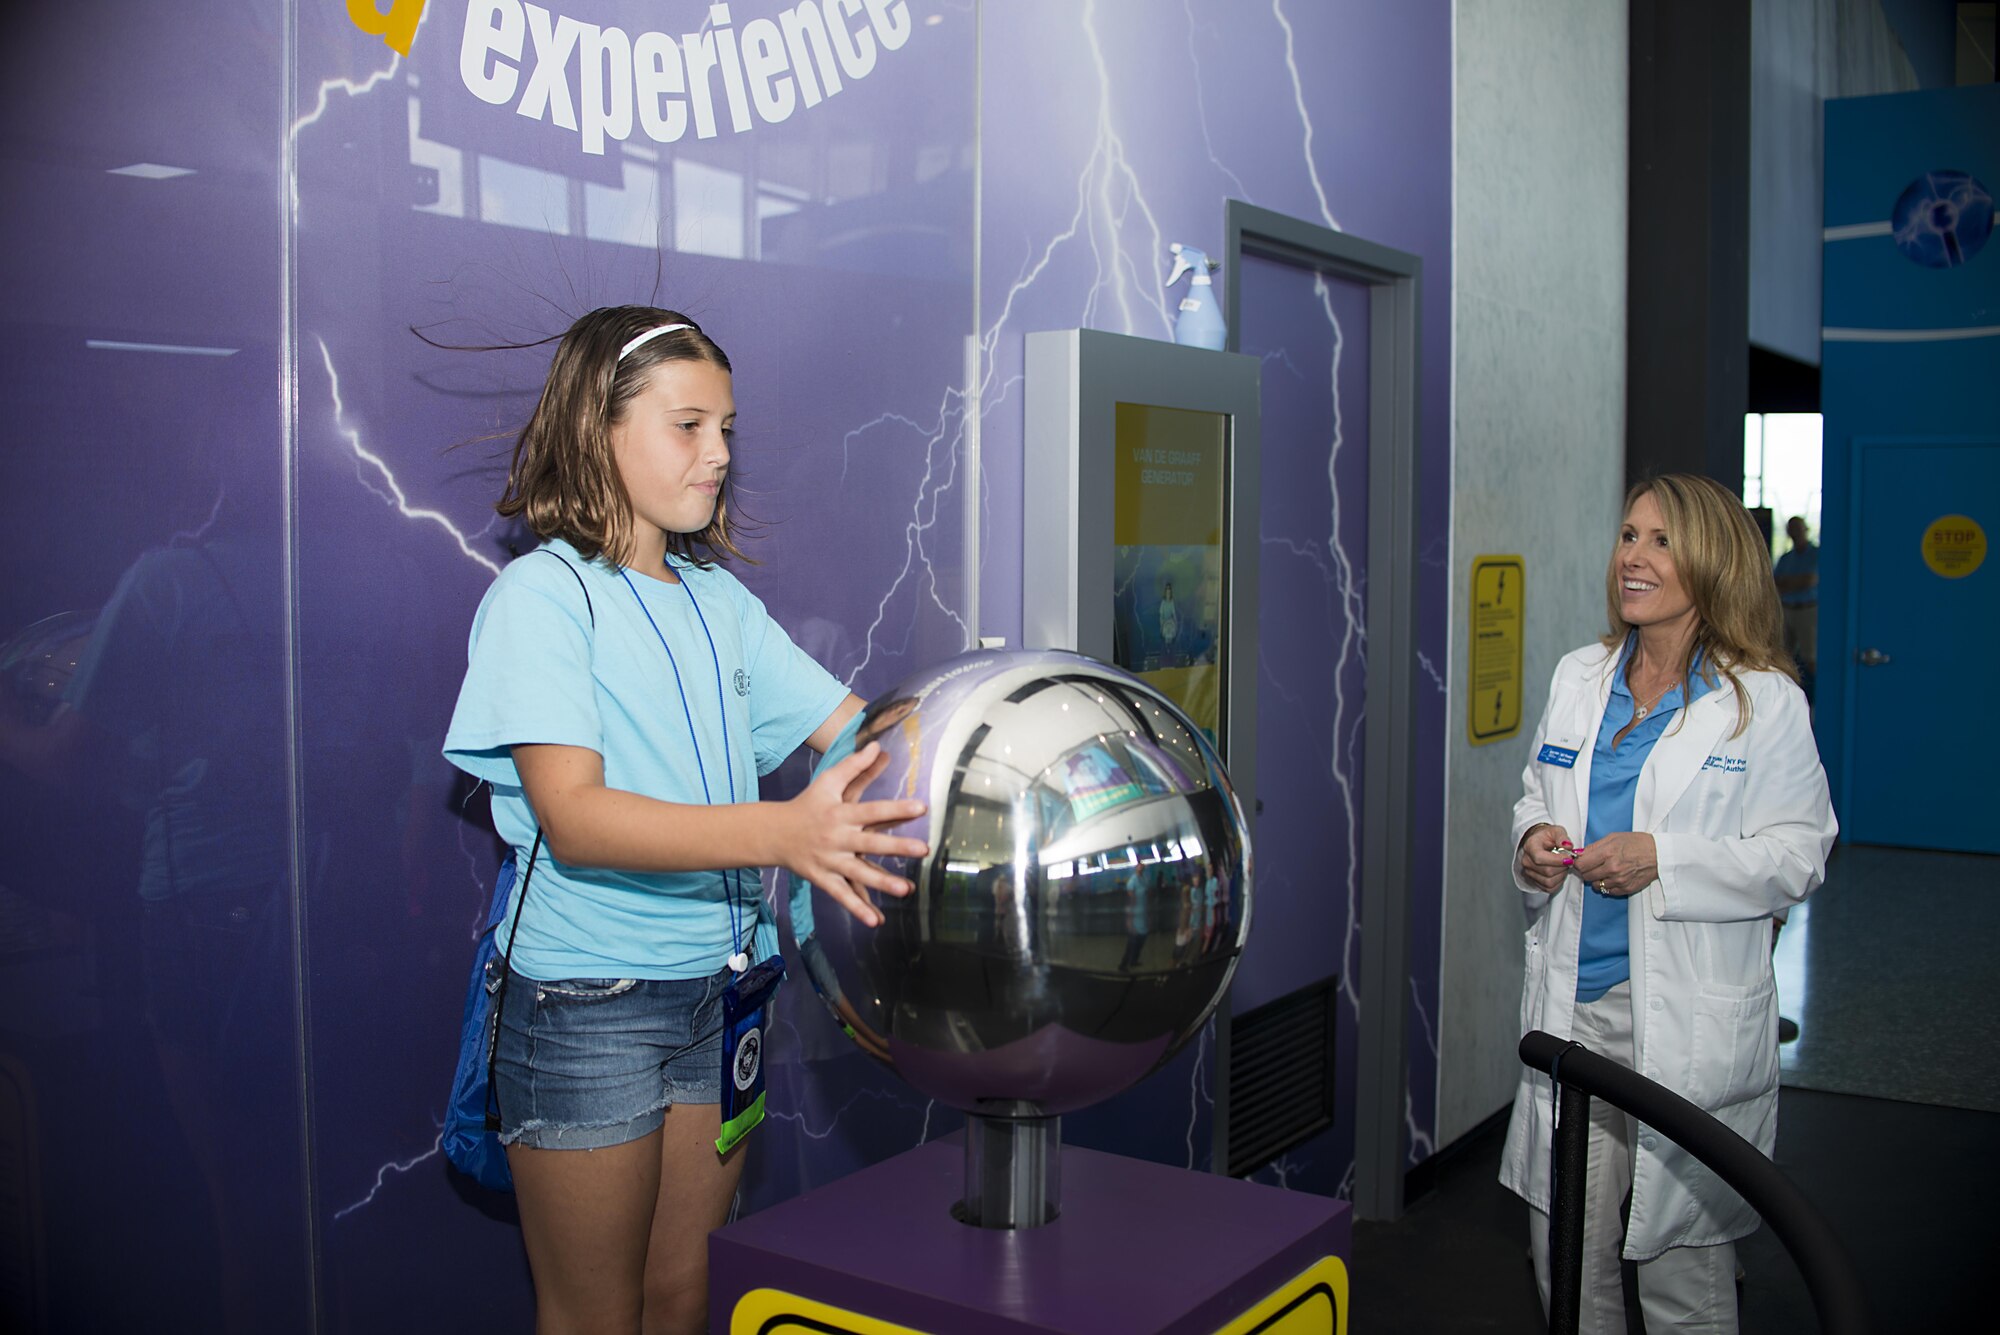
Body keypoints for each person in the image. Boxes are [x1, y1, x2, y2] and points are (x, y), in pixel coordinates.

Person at [442, 306, 930, 1335]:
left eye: (727, 431)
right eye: (688, 426)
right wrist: (783, 833)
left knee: (677, 1296)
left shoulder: (721, 604)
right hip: (589, 1005)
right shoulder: (543, 599)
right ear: (597, 429)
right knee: (593, 1314)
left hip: (722, 999)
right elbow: (572, 818)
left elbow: (858, 735)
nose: (718, 456)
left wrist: (972, 729)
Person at [1502, 474, 1837, 1334]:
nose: (1633, 557)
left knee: (1682, 1273)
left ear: (1712, 562)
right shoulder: (1581, 675)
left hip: (1682, 1020)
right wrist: (1533, 843)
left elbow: (1800, 852)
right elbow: (1537, 793)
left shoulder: (1762, 703)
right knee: (1565, 1260)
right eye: (1628, 535)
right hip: (1573, 1008)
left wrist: (1666, 859)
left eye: (1660, 540)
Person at [1772, 515, 1817, 695]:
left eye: (1798, 528)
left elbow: (1809, 581)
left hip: (1808, 610)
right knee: (1782, 657)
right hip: (1787, 610)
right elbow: (1774, 584)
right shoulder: (1786, 558)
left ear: (1806, 529)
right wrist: (1795, 582)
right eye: (1792, 528)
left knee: (1811, 658)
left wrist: (1789, 583)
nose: (1795, 532)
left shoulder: (1816, 554)